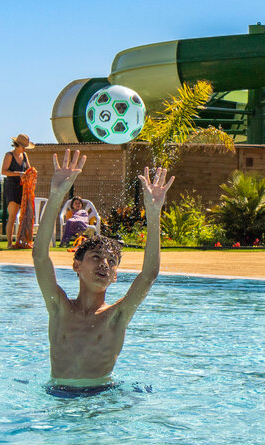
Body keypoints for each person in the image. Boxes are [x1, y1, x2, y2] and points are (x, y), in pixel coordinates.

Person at [32, 149, 173, 395]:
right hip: (56, 395)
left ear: (116, 275)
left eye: (111, 261)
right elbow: (40, 257)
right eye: (96, 257)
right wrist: (56, 195)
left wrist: (153, 213)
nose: (104, 264)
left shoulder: (116, 316)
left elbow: (148, 275)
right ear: (76, 265)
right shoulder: (58, 307)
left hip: (101, 398)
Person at [1, 134, 35, 248]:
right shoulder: (9, 155)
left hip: (23, 188)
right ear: (18, 145)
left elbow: (28, 170)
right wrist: (18, 173)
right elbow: (4, 171)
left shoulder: (24, 155)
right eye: (24, 146)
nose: (25, 149)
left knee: (25, 215)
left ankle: (23, 241)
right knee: (12, 216)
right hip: (12, 187)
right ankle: (9, 243)